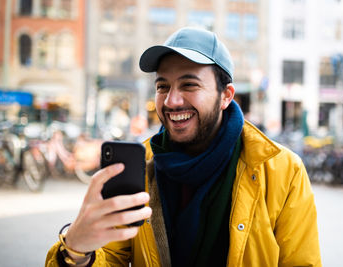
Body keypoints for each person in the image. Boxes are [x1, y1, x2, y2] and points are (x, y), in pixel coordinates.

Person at [46, 27, 321, 267]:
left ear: (226, 96)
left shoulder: (282, 170)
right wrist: (76, 250)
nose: (171, 101)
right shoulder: (140, 169)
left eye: (189, 85)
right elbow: (112, 258)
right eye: (163, 86)